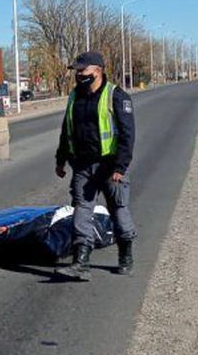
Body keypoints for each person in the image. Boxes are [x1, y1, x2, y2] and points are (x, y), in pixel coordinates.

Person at [54, 51, 137, 281]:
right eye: (77, 71)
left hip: (110, 166)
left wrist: (120, 166)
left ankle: (126, 255)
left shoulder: (116, 96)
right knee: (82, 207)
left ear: (97, 70)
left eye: (83, 71)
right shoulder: (75, 96)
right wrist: (60, 159)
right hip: (83, 165)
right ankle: (81, 261)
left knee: (118, 208)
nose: (79, 75)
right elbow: (66, 130)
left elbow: (128, 135)